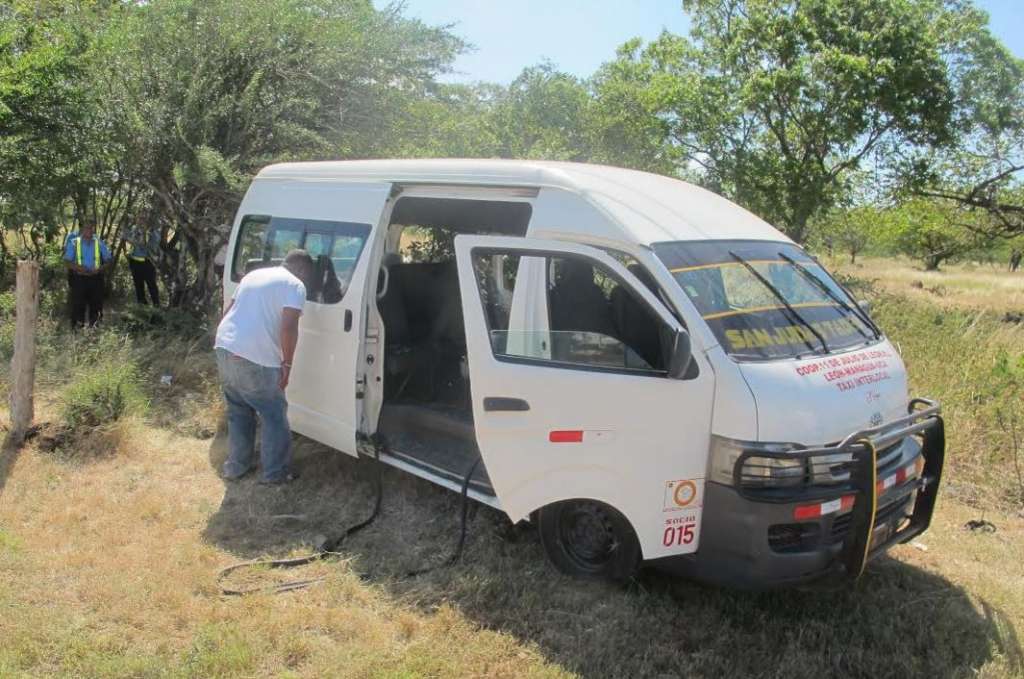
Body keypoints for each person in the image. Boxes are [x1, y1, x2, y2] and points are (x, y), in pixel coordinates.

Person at [214, 249, 315, 484]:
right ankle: (275, 473)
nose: (307, 279)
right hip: (254, 357)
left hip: (224, 345)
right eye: (308, 274)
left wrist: (226, 343)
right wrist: (287, 364)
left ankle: (236, 467)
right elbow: (288, 326)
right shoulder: (295, 285)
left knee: (239, 411)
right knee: (274, 415)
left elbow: (228, 312)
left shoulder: (254, 275)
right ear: (301, 269)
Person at [63, 222, 111, 329]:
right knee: (78, 304)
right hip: (79, 278)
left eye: (90, 228)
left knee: (97, 305)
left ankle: (94, 328)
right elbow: (67, 262)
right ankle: (76, 329)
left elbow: (108, 260)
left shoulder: (99, 243)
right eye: (86, 228)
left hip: (96, 278)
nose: (88, 230)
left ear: (93, 230)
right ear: (82, 230)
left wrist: (99, 269)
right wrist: (79, 268)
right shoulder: (74, 243)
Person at [125, 224, 161, 305]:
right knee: (138, 287)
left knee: (152, 286)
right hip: (134, 262)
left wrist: (145, 235)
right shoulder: (134, 229)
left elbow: (155, 244)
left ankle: (156, 308)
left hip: (147, 263)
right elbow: (126, 238)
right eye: (140, 218)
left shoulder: (153, 232)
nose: (141, 221)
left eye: (144, 218)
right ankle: (142, 308)